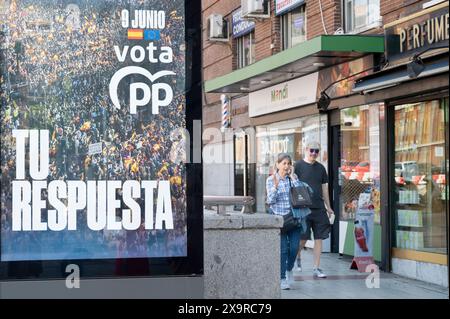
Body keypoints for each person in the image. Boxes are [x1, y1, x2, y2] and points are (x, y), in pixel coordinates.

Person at [266, 153, 311, 290]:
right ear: (278, 164)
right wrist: (276, 185)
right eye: (284, 163)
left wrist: (293, 178)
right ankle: (282, 278)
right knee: (283, 250)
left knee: (294, 248)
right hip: (279, 220)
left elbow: (302, 195)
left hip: (294, 219)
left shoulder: (293, 178)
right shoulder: (271, 180)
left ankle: (289, 268)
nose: (286, 166)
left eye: (288, 163)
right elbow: (270, 201)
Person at [294, 141, 334, 278]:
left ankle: (316, 268)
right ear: (306, 150)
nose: (314, 154)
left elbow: (324, 188)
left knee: (319, 238)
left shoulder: (321, 168)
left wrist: (329, 207)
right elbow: (293, 187)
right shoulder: (298, 166)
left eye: (316, 151)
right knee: (302, 239)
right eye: (311, 150)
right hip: (303, 209)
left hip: (319, 208)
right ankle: (297, 257)